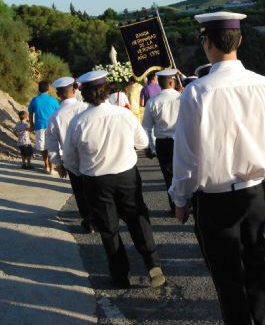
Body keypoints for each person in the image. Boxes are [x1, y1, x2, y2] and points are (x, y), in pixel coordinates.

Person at [170, 11, 265, 324]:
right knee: (255, 268)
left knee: (227, 279)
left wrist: (180, 199)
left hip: (215, 198)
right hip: (255, 192)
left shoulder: (197, 92)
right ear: (240, 40)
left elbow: (185, 158)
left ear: (207, 42)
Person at [63, 70, 166, 289]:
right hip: (126, 175)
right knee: (137, 217)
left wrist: (84, 172)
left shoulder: (78, 122)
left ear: (84, 93)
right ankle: (152, 263)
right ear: (107, 89)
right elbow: (142, 142)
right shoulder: (124, 114)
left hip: (96, 180)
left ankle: (120, 275)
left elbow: (69, 159)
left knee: (109, 229)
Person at [45, 77, 94, 233]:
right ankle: (101, 217)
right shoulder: (87, 107)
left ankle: (88, 220)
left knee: (79, 191)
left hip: (71, 159)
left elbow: (51, 144)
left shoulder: (55, 116)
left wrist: (58, 164)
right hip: (91, 154)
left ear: (58, 94)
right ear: (74, 90)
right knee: (96, 187)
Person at [141, 68, 181, 215]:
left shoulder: (152, 102)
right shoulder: (182, 97)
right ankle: (188, 204)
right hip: (182, 141)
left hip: (164, 143)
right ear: (172, 82)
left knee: (169, 176)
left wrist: (150, 148)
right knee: (187, 172)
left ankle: (175, 206)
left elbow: (147, 128)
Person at [28, 80, 60, 174]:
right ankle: (51, 168)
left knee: (43, 148)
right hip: (51, 126)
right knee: (51, 146)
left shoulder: (35, 100)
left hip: (39, 126)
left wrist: (31, 125)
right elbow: (58, 113)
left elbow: (30, 113)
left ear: (39, 89)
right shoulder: (53, 100)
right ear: (48, 89)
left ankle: (46, 166)